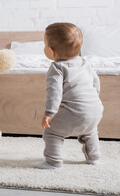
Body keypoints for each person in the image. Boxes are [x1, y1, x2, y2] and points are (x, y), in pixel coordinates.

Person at [35, 22, 103, 170]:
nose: (44, 48)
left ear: (52, 51)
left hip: (74, 112)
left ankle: (53, 162)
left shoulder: (57, 68)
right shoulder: (86, 63)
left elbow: (54, 93)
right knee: (90, 131)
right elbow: (95, 84)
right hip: (95, 109)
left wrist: (49, 113)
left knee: (52, 132)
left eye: (44, 44)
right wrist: (92, 101)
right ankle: (94, 157)